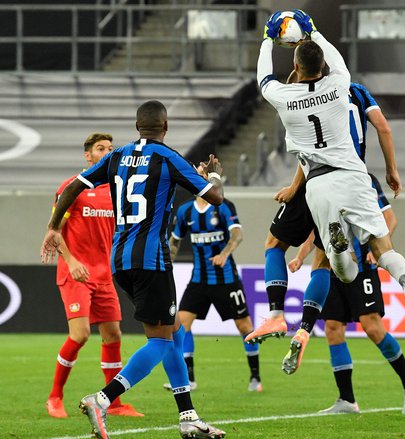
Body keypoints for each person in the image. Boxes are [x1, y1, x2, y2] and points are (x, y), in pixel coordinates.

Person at [257, 10, 405, 376]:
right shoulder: (342, 86)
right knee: (383, 249)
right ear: (324, 66)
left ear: (295, 64)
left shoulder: (284, 99)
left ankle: (285, 309)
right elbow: (335, 61)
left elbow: (264, 79)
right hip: (355, 176)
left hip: (316, 183)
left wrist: (267, 39)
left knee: (336, 265)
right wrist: (314, 30)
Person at [41, 100, 226, 438]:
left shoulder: (117, 156)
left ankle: (188, 416)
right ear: (165, 126)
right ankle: (102, 398)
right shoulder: (168, 156)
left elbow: (71, 187)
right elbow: (214, 196)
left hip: (119, 260)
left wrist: (54, 227)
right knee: (160, 340)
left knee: (174, 333)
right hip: (151, 259)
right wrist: (213, 175)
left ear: (137, 125)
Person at [290, 173, 405, 415]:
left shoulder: (364, 177)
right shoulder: (319, 177)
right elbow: (315, 231)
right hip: (331, 267)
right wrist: (301, 256)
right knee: (332, 328)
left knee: (371, 327)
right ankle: (347, 400)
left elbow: (389, 218)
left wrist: (380, 249)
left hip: (362, 267)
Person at [46, 133, 142, 419]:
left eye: (111, 148)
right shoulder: (71, 187)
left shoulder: (116, 190)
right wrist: (71, 260)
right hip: (74, 273)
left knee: (113, 335)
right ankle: (54, 397)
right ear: (88, 156)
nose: (107, 152)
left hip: (103, 274)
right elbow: (55, 231)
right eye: (101, 148)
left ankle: (113, 403)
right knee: (81, 334)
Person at [163, 195, 262, 392]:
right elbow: (175, 241)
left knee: (245, 326)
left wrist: (224, 254)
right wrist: (166, 264)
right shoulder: (185, 211)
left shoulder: (224, 206)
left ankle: (255, 377)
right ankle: (189, 379)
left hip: (226, 279)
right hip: (199, 279)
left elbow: (237, 235)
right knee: (182, 323)